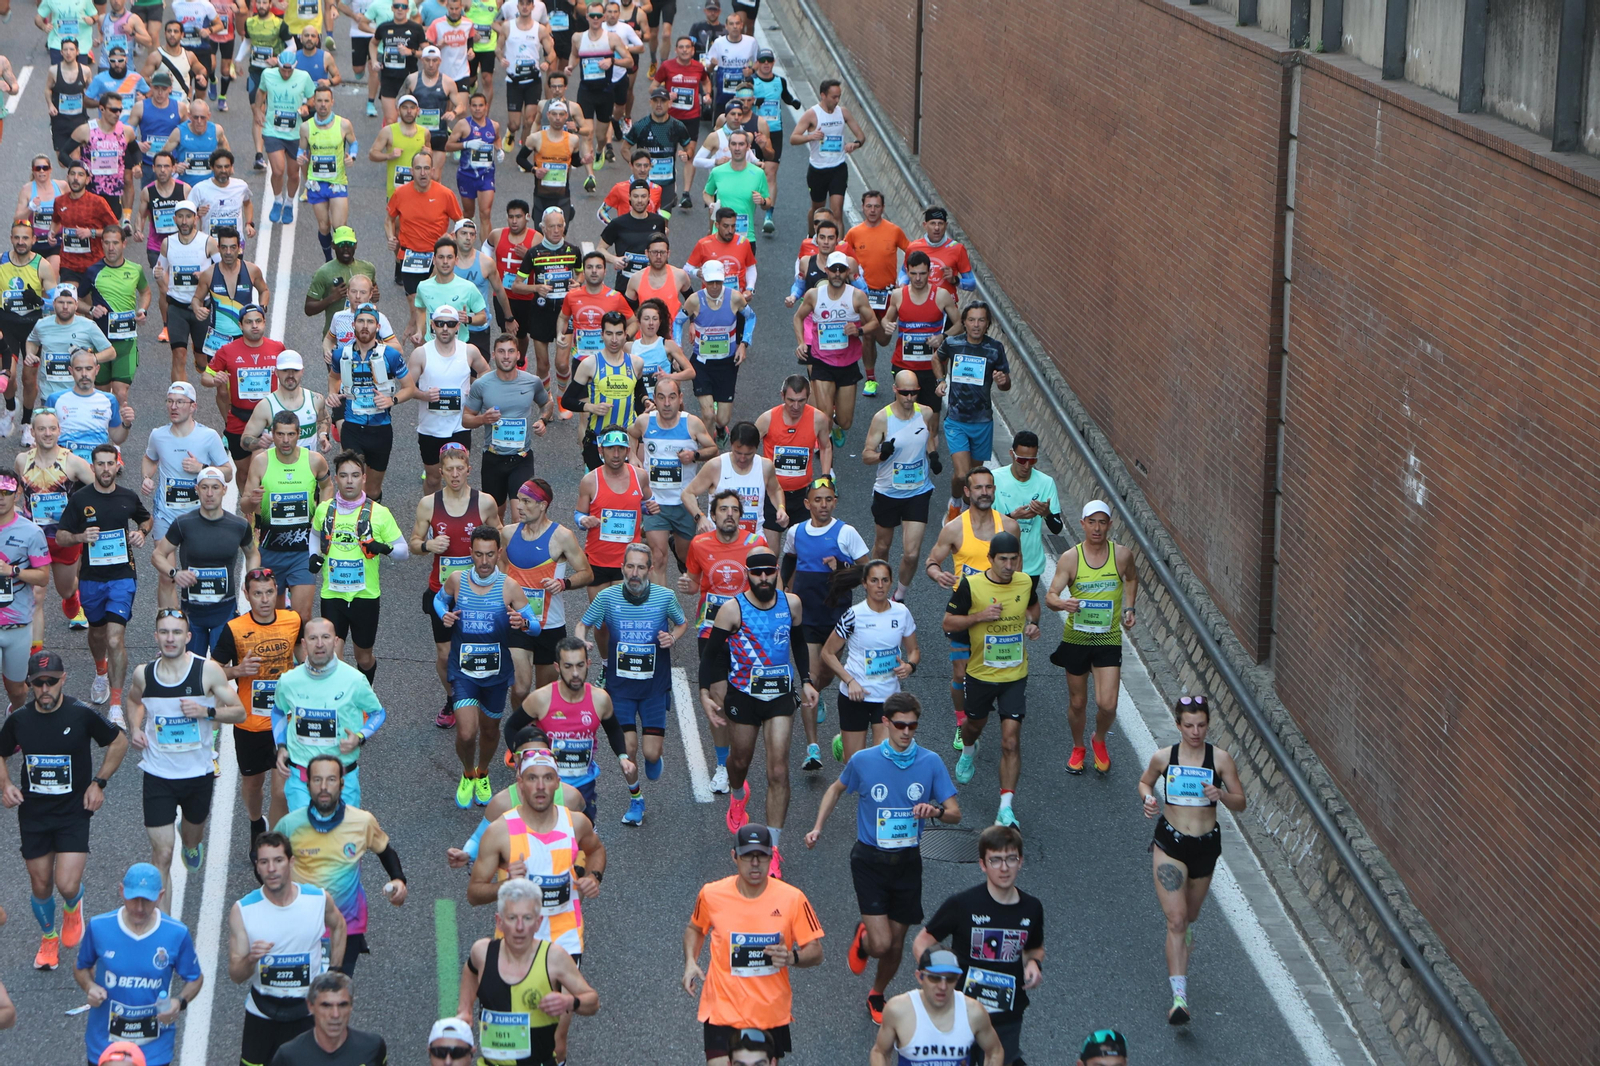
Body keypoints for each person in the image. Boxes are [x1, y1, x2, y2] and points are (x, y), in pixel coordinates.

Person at [806, 692, 957, 1021]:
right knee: (880, 943)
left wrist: (936, 810)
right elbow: (835, 789)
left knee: (896, 943)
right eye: (900, 725)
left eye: (913, 725)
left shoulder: (930, 762)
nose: (906, 732)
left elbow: (955, 813)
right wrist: (817, 827)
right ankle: (864, 938)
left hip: (907, 863)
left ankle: (877, 993)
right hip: (870, 860)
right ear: (886, 723)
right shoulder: (864, 760)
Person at [467, 746, 607, 1064]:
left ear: (558, 783)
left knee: (556, 1038)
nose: (540, 786)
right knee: (516, 1030)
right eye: (532, 778)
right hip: (516, 939)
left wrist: (594, 877)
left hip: (564, 935)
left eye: (547, 778)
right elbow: (474, 893)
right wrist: (506, 884)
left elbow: (596, 849)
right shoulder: (500, 831)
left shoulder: (576, 823)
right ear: (520, 783)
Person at [0, 650, 129, 970]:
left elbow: (119, 742)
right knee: (41, 883)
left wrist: (99, 782)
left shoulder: (80, 713)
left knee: (67, 884)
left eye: (51, 682)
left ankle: (73, 906)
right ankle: (48, 938)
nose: (45, 689)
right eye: (38, 683)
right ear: (29, 684)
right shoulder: (19, 720)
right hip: (34, 813)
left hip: (73, 811)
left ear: (63, 680)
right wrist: (5, 785)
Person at [699, 546, 816, 878]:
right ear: (746, 574)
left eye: (769, 572)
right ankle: (739, 795)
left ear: (777, 570)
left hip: (779, 695)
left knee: (778, 771)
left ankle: (773, 848)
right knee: (739, 762)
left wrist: (806, 680)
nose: (763, 578)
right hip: (743, 696)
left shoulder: (791, 604)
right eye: (757, 573)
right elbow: (709, 656)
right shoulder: (732, 610)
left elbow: (798, 643)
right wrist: (705, 693)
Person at [124, 609, 246, 900]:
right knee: (162, 855)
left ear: (188, 637)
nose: (170, 638)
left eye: (177, 632)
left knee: (192, 836)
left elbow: (239, 712)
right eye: (164, 632)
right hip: (158, 775)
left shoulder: (207, 671)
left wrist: (206, 711)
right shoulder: (145, 673)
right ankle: (163, 930)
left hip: (197, 774)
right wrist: (135, 727)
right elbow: (133, 700)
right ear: (155, 636)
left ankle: (191, 843)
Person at [1138, 695, 1244, 1026]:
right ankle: (1179, 999)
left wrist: (1221, 796)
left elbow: (1240, 802)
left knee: (1191, 916)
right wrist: (1148, 799)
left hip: (1205, 847)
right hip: (1170, 843)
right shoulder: (1165, 757)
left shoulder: (1221, 759)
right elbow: (1145, 782)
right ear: (1178, 725)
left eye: (1201, 725)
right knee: (1177, 920)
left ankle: (1184, 940)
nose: (1195, 732)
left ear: (1208, 725)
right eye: (1188, 726)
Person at [683, 824, 824, 1065]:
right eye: (748, 855)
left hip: (769, 1012)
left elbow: (816, 952)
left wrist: (792, 958)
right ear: (734, 856)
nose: (755, 863)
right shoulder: (711, 894)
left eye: (762, 855)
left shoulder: (793, 898)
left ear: (772, 856)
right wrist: (690, 962)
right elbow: (696, 928)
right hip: (722, 1008)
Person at [575, 542, 689, 823]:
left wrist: (672, 637)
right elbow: (583, 624)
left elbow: (682, 622)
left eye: (640, 567)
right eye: (630, 566)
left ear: (650, 569)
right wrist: (581, 639)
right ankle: (636, 800)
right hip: (620, 689)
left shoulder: (665, 597)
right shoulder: (607, 598)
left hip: (653, 687)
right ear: (622, 568)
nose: (634, 572)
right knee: (628, 750)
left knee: (650, 753)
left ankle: (653, 759)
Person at [912, 825, 1044, 1066]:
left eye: (1011, 859)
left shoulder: (1032, 908)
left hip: (1008, 1012)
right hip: (962, 1008)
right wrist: (936, 980)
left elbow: (1034, 948)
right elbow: (922, 942)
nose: (1004, 868)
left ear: (1021, 861)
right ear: (983, 864)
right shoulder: (962, 904)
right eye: (995, 860)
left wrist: (1034, 963)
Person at [275, 756, 408, 977]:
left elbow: (385, 850)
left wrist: (398, 879)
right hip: (300, 925)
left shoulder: (362, 822)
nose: (324, 787)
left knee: (335, 991)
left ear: (342, 784)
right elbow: (268, 864)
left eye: (331, 779)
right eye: (317, 780)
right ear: (307, 785)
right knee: (305, 994)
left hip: (348, 923)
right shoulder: (289, 825)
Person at [434, 525, 537, 804]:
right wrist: (444, 614)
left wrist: (523, 623)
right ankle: (468, 773)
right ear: (471, 553)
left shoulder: (509, 587)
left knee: (491, 730)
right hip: (464, 670)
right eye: (478, 554)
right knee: (467, 732)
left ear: (498, 553)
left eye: (490, 555)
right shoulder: (457, 580)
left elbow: (536, 626)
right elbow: (438, 600)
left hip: (496, 671)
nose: (483, 561)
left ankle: (483, 772)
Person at [228, 831, 348, 1066]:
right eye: (264, 862)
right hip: (262, 1012)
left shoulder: (317, 899)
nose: (271, 868)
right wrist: (251, 958)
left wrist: (334, 973)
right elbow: (236, 975)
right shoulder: (243, 910)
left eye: (278, 860)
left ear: (291, 862)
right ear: (258, 867)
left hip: (306, 1011)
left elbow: (339, 926)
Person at [55, 443, 154, 725]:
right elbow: (61, 536)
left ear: (118, 466)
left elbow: (146, 519)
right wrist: (80, 538)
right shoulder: (80, 499)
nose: (106, 469)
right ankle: (101, 673)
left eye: (111, 464)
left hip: (122, 576)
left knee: (115, 638)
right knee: (97, 634)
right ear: (93, 466)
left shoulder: (127, 496)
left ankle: (115, 705)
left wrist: (141, 533)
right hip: (92, 579)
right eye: (101, 464)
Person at [945, 532, 1038, 825]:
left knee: (1010, 741)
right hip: (980, 674)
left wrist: (1033, 623)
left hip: (1014, 675)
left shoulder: (1024, 582)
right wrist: (979, 617)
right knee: (974, 725)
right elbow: (948, 622)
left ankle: (1005, 807)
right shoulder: (971, 585)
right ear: (990, 559)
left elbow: (1033, 606)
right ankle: (969, 751)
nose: (1009, 566)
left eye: (1014, 559)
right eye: (1003, 560)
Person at [73, 862, 204, 1066]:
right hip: (106, 1045)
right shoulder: (100, 927)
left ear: (160, 896)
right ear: (122, 891)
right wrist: (89, 987)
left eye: (147, 900)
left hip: (154, 1049)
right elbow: (81, 967)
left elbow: (195, 978)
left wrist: (180, 1002)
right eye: (134, 899)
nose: (140, 908)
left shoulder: (176, 933)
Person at [923, 468, 1019, 746]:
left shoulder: (1009, 527)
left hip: (999, 612)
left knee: (1001, 669)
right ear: (967, 492)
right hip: (964, 610)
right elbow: (932, 561)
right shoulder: (954, 528)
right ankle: (961, 719)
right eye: (978, 488)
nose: (984, 492)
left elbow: (1019, 569)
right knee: (960, 673)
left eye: (989, 487)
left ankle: (1004, 717)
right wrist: (937, 573)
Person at [458, 878, 598, 1066]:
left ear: (538, 922)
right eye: (512, 918)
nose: (520, 927)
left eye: (527, 918)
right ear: (499, 922)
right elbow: (471, 970)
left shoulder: (553, 958)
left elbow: (593, 1002)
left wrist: (571, 1001)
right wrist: (465, 1009)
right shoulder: (482, 952)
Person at [779, 475, 868, 768]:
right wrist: (783, 590)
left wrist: (841, 567)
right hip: (806, 617)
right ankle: (813, 748)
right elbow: (789, 559)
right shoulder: (796, 532)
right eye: (818, 500)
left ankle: (822, 694)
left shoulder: (846, 533)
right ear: (807, 504)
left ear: (836, 502)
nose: (824, 505)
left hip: (836, 617)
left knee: (828, 674)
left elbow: (869, 572)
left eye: (829, 499)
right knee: (810, 679)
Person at [1046, 500, 1138, 775]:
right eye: (1092, 522)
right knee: (1077, 703)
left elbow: (1132, 578)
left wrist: (1129, 606)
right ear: (1083, 524)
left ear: (1110, 525)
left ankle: (1098, 738)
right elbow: (1051, 596)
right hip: (1077, 638)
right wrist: (1063, 604)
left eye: (1102, 522)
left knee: (1108, 704)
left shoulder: (1121, 555)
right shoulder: (1070, 558)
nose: (1097, 528)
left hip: (1107, 638)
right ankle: (1078, 746)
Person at [413, 445, 503, 727]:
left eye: (459, 469)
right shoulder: (429, 503)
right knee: (444, 653)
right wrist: (428, 544)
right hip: (442, 591)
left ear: (468, 470)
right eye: (449, 469)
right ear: (441, 471)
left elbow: (500, 538)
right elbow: (414, 543)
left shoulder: (484, 502)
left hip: (478, 592)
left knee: (479, 648)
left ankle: (481, 695)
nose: (454, 474)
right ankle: (454, 698)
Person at [213, 566, 305, 839]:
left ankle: (274, 844)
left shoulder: (292, 620)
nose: (264, 600)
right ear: (247, 595)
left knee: (281, 790)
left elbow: (302, 656)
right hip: (250, 723)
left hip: (285, 722)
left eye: (268, 592)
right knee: (253, 785)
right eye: (257, 594)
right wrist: (237, 672)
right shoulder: (235, 628)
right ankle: (256, 822)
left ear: (277, 592)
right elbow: (212, 671)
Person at [272, 618, 388, 810]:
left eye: (325, 637)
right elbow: (278, 711)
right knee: (304, 840)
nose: (319, 644)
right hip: (301, 780)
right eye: (313, 638)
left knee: (344, 839)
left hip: (343, 779)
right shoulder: (288, 681)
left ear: (335, 641)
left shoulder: (354, 680)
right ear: (304, 644)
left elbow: (377, 713)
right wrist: (281, 745)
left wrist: (359, 737)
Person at [310, 453, 408, 678]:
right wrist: (313, 556)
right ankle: (343, 701)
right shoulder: (325, 510)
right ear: (336, 479)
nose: (349, 481)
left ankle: (366, 688)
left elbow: (404, 552)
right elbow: (314, 535)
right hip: (333, 593)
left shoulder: (380, 514)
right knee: (334, 654)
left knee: (363, 657)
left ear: (364, 478)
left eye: (355, 475)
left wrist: (385, 549)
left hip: (365, 596)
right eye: (344, 476)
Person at [522, 635, 636, 821]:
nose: (575, 673)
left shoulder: (600, 699)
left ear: (588, 664)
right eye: (568, 666)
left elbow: (613, 729)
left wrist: (623, 757)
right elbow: (512, 728)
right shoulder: (541, 698)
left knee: (586, 841)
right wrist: (524, 760)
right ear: (558, 667)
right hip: (548, 785)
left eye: (580, 665)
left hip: (584, 782)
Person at [500, 478, 593, 704]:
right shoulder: (508, 534)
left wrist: (564, 583)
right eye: (519, 501)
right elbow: (501, 571)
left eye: (526, 501)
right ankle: (521, 736)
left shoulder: (561, 536)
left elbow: (587, 573)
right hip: (517, 622)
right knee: (521, 689)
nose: (519, 506)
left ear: (543, 505)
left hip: (550, 625)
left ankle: (540, 735)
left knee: (546, 695)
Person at [821, 558, 919, 764]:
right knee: (856, 764)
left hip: (887, 697)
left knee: (883, 761)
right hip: (855, 696)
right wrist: (850, 681)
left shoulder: (902, 613)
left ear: (891, 582)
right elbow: (827, 653)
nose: (880, 586)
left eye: (885, 580)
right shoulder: (853, 615)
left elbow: (914, 650)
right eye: (874, 580)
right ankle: (843, 743)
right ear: (864, 583)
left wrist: (910, 666)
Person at [240, 411, 332, 624]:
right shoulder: (261, 462)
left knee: (302, 617)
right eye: (280, 434)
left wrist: (323, 511)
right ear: (272, 434)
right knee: (276, 618)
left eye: (290, 434)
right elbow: (244, 503)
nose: (285, 440)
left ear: (299, 434)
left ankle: (300, 658)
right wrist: (252, 501)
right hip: (270, 549)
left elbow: (327, 486)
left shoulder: (314, 460)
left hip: (302, 551)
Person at [152, 467, 257, 652]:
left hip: (224, 611)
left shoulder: (238, 525)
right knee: (193, 669)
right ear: (196, 490)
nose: (210, 493)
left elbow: (253, 553)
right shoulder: (183, 524)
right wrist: (174, 573)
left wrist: (251, 577)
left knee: (220, 671)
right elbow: (157, 555)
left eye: (215, 487)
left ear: (224, 489)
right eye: (205, 487)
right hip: (193, 613)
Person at [14, 410, 95, 641]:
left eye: (52, 428)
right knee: (37, 595)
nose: (47, 434)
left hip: (64, 538)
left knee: (65, 590)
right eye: (41, 429)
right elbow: (19, 492)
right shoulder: (22, 460)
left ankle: (73, 599)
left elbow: (100, 490)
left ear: (59, 430)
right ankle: (35, 657)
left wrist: (88, 515)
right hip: (33, 538)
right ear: (33, 432)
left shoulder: (73, 462)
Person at [862, 369, 940, 599]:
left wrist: (933, 456)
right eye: (904, 393)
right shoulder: (882, 418)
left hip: (918, 491)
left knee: (912, 553)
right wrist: (881, 455)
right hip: (888, 492)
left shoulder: (925, 413)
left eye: (914, 393)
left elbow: (930, 437)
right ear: (895, 390)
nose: (909, 398)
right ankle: (876, 591)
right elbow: (866, 455)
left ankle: (900, 596)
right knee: (883, 547)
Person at [629, 374, 715, 581]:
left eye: (672, 397)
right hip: (655, 502)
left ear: (680, 398)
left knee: (685, 555)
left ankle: (677, 546)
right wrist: (632, 457)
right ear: (655, 399)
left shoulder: (692, 424)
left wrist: (694, 455)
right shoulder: (644, 421)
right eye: (661, 397)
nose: (666, 404)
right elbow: (630, 434)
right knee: (657, 558)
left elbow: (713, 449)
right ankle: (663, 611)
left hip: (683, 502)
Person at [795, 250, 881, 448]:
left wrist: (858, 330)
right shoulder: (814, 295)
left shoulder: (857, 297)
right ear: (826, 270)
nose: (837, 274)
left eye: (841, 270)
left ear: (847, 272)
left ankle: (836, 425)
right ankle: (828, 469)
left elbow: (874, 323)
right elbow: (798, 317)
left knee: (845, 421)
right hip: (821, 361)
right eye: (833, 270)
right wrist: (801, 342)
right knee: (824, 416)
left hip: (848, 363)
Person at [464, 334, 551, 520]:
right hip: (493, 460)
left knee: (520, 516)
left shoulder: (531, 381)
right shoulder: (481, 385)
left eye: (511, 351)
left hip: (521, 458)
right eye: (501, 352)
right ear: (494, 355)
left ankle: (516, 549)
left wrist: (543, 420)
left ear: (518, 355)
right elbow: (465, 419)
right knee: (495, 518)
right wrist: (483, 419)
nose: (506, 356)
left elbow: (547, 403)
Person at [327, 306, 410, 502]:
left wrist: (392, 400)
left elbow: (409, 387)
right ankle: (349, 525)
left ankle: (371, 525)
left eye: (370, 322)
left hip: (380, 429)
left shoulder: (390, 355)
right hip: (352, 427)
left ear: (378, 326)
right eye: (361, 321)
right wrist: (332, 393)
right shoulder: (341, 354)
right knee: (352, 485)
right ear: (354, 324)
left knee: (372, 490)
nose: (365, 326)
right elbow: (333, 377)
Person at [869, 948, 1002, 1066]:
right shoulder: (898, 1010)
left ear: (958, 978)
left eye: (950, 979)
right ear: (920, 977)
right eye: (935, 978)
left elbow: (995, 1052)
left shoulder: (973, 1012)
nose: (943, 986)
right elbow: (880, 1052)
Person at [938, 303, 1010, 516]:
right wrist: (940, 380)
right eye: (971, 320)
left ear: (988, 323)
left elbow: (1006, 385)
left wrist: (1002, 380)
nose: (976, 325)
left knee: (974, 475)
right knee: (962, 475)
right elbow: (937, 358)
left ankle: (970, 516)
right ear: (964, 323)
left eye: (981, 320)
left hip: (982, 421)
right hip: (957, 420)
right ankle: (954, 503)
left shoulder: (995, 348)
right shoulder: (952, 343)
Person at [141, 380, 231, 549]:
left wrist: (202, 468)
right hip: (165, 514)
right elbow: (149, 458)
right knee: (165, 571)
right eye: (170, 401)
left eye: (180, 402)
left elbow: (228, 473)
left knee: (195, 569)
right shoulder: (158, 435)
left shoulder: (209, 436)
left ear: (193, 407)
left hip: (199, 514)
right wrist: (146, 477)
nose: (173, 407)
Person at [195, 236, 272, 424]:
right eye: (224, 247)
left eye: (232, 247)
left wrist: (262, 307)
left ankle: (253, 421)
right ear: (219, 249)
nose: (228, 252)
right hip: (217, 339)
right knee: (221, 387)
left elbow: (264, 290)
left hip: (243, 337)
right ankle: (229, 425)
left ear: (239, 248)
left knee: (244, 384)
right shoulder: (209, 274)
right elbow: (197, 298)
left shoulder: (251, 270)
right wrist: (198, 308)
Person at [675, 258, 754, 438]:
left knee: (723, 419)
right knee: (708, 414)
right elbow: (678, 322)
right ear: (704, 280)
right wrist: (678, 348)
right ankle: (710, 455)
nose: (715, 286)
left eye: (718, 281)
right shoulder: (695, 300)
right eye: (711, 282)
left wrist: (744, 344)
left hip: (727, 364)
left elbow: (751, 318)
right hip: (702, 364)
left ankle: (720, 430)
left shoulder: (734, 297)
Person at [27, 284, 117, 443]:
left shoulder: (88, 326)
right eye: (61, 302)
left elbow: (110, 352)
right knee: (49, 439)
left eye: (69, 303)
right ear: (54, 303)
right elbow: (32, 340)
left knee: (75, 439)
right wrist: (29, 353)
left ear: (76, 305)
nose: (65, 307)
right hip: (50, 394)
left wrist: (91, 359)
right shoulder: (42, 324)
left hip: (78, 394)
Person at [0, 222, 59, 440]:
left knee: (28, 378)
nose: (21, 242)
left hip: (33, 328)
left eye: (25, 238)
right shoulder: (1, 262)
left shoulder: (42, 265)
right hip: (6, 325)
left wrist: (39, 301)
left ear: (33, 240)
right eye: (17, 238)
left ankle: (27, 424)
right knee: (9, 374)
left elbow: (56, 302)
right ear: (11, 238)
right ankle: (9, 408)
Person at [79, 227, 150, 406]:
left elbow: (146, 292)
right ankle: (106, 432)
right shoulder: (93, 271)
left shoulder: (136, 269)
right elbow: (75, 300)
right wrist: (90, 309)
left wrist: (142, 310)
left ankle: (120, 431)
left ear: (124, 244)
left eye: (115, 243)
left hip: (125, 342)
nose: (111, 247)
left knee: (120, 393)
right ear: (102, 244)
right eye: (107, 243)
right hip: (99, 341)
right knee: (102, 396)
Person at [0, 475, 52, 712]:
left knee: (18, 690)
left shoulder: (31, 532)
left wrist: (14, 571)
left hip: (17, 625)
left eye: (6, 492)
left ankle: (15, 714)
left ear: (17, 494)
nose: (1, 498)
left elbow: (43, 576)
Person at [755, 376, 832, 535]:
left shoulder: (818, 419)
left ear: (808, 397)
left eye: (801, 401)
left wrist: (825, 476)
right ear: (782, 396)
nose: (796, 406)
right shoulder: (767, 419)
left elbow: (825, 447)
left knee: (801, 551)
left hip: (802, 495)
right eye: (791, 400)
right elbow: (748, 448)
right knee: (770, 554)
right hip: (772, 494)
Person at [566, 311, 643, 469]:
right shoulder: (589, 364)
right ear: (602, 335)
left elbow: (639, 394)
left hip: (626, 443)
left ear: (625, 335)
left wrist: (647, 401)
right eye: (609, 334)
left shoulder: (636, 363)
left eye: (618, 334)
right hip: (598, 441)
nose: (614, 340)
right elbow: (568, 400)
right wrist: (590, 407)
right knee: (597, 492)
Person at [385, 151, 464, 297]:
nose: (423, 173)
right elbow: (389, 219)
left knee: (436, 305)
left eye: (427, 168)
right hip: (410, 257)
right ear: (411, 171)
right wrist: (391, 237)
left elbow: (461, 222)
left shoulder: (445, 194)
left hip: (438, 257)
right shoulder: (400, 193)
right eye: (418, 168)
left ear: (432, 171)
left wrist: (451, 236)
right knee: (416, 308)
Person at [267, 971, 388, 1065]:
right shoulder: (289, 1056)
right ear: (311, 1006)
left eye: (342, 1005)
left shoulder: (373, 1046)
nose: (335, 1014)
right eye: (326, 1005)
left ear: (351, 1006)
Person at [789, 79, 864, 229]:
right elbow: (793, 138)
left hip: (838, 168)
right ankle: (811, 238)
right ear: (823, 95)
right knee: (818, 211)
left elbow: (861, 136)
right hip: (818, 170)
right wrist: (811, 136)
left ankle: (839, 248)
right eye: (833, 97)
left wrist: (854, 144)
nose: (837, 101)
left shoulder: (843, 113)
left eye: (839, 97)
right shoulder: (812, 114)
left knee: (836, 214)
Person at [989, 431, 1061, 585]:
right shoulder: (994, 478)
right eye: (1022, 460)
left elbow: (1057, 528)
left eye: (1032, 460)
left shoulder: (1046, 483)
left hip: (1030, 566)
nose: (1027, 466)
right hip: (998, 563)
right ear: (1012, 454)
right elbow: (984, 522)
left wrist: (1047, 513)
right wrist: (1012, 516)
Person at [153, 201, 213, 383]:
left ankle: (199, 355)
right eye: (180, 217)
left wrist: (205, 275)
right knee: (178, 355)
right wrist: (159, 278)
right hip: (177, 308)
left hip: (202, 308)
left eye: (188, 217)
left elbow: (222, 269)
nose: (184, 221)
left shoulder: (208, 242)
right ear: (175, 219)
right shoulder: (167, 243)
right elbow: (160, 269)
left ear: (195, 219)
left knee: (203, 360)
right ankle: (180, 397)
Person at [298, 87, 359, 261]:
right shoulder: (305, 127)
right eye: (319, 101)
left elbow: (354, 144)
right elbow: (301, 150)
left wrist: (352, 157)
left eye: (326, 101)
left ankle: (343, 261)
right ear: (314, 103)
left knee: (340, 228)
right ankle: (328, 260)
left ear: (332, 102)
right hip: (316, 183)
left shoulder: (344, 124)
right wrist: (300, 158)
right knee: (324, 226)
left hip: (337, 182)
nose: (323, 105)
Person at [259, 50, 317, 223]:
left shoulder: (303, 76)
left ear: (294, 67)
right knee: (277, 170)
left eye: (289, 71)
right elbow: (261, 92)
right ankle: (277, 200)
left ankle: (289, 203)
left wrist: (307, 107)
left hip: (295, 133)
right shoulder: (267, 74)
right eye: (282, 70)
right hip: (273, 130)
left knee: (293, 173)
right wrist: (257, 110)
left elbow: (312, 98)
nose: (285, 74)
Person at [652, 36, 710, 206]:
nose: (684, 50)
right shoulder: (667, 66)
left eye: (688, 47)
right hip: (669, 118)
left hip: (691, 117)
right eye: (681, 47)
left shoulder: (699, 68)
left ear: (693, 50)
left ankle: (686, 193)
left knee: (689, 154)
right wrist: (665, 94)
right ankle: (662, 188)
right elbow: (652, 88)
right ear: (676, 50)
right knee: (666, 154)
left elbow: (706, 82)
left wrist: (707, 94)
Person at [239, 351, 331, 455]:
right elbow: (245, 439)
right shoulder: (266, 406)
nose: (290, 375)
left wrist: (323, 435)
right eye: (285, 370)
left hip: (307, 468)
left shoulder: (316, 400)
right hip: (276, 469)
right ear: (276, 372)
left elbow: (323, 420)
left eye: (295, 370)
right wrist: (259, 443)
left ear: (302, 371)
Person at [747, 49, 799, 234]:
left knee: (771, 171)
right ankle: (747, 211)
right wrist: (755, 102)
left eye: (769, 60)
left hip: (775, 131)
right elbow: (743, 101)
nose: (766, 63)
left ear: (774, 62)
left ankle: (769, 214)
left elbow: (785, 96)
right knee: (752, 170)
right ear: (758, 63)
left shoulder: (779, 81)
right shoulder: (752, 80)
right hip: (755, 129)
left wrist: (794, 103)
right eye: (762, 60)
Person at [625, 88, 695, 210]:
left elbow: (689, 147)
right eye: (655, 101)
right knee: (644, 218)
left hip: (666, 183)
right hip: (644, 182)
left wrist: (687, 154)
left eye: (662, 101)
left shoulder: (677, 126)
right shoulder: (640, 126)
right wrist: (635, 164)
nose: (659, 104)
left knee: (663, 223)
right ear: (650, 102)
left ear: (669, 103)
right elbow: (624, 148)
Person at [303, 226, 377, 336]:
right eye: (341, 244)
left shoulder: (368, 268)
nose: (346, 248)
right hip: (336, 336)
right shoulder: (323, 272)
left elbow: (374, 293)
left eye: (350, 244)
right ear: (333, 245)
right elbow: (309, 309)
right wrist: (331, 298)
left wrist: (374, 295)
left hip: (364, 336)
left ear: (355, 245)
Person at [702, 129, 769, 241]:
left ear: (748, 147)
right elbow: (706, 193)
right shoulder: (717, 172)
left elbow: (768, 202)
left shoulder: (758, 173)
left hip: (745, 237)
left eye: (741, 144)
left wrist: (763, 201)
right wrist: (711, 204)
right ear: (729, 146)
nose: (737, 148)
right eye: (734, 144)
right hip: (720, 236)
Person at [186, 149, 256, 241]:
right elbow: (186, 214)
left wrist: (249, 223)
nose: (223, 170)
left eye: (227, 166)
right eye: (219, 167)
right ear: (212, 167)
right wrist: (197, 213)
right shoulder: (199, 189)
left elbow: (247, 204)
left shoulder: (241, 186)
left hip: (235, 243)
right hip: (209, 243)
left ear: (231, 167)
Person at [903, 207, 975, 295]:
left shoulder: (957, 248)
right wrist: (902, 286)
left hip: (945, 306)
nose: (937, 228)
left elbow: (972, 284)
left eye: (940, 223)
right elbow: (904, 271)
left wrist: (954, 280)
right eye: (932, 223)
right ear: (925, 225)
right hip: (919, 304)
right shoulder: (913, 247)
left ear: (946, 225)